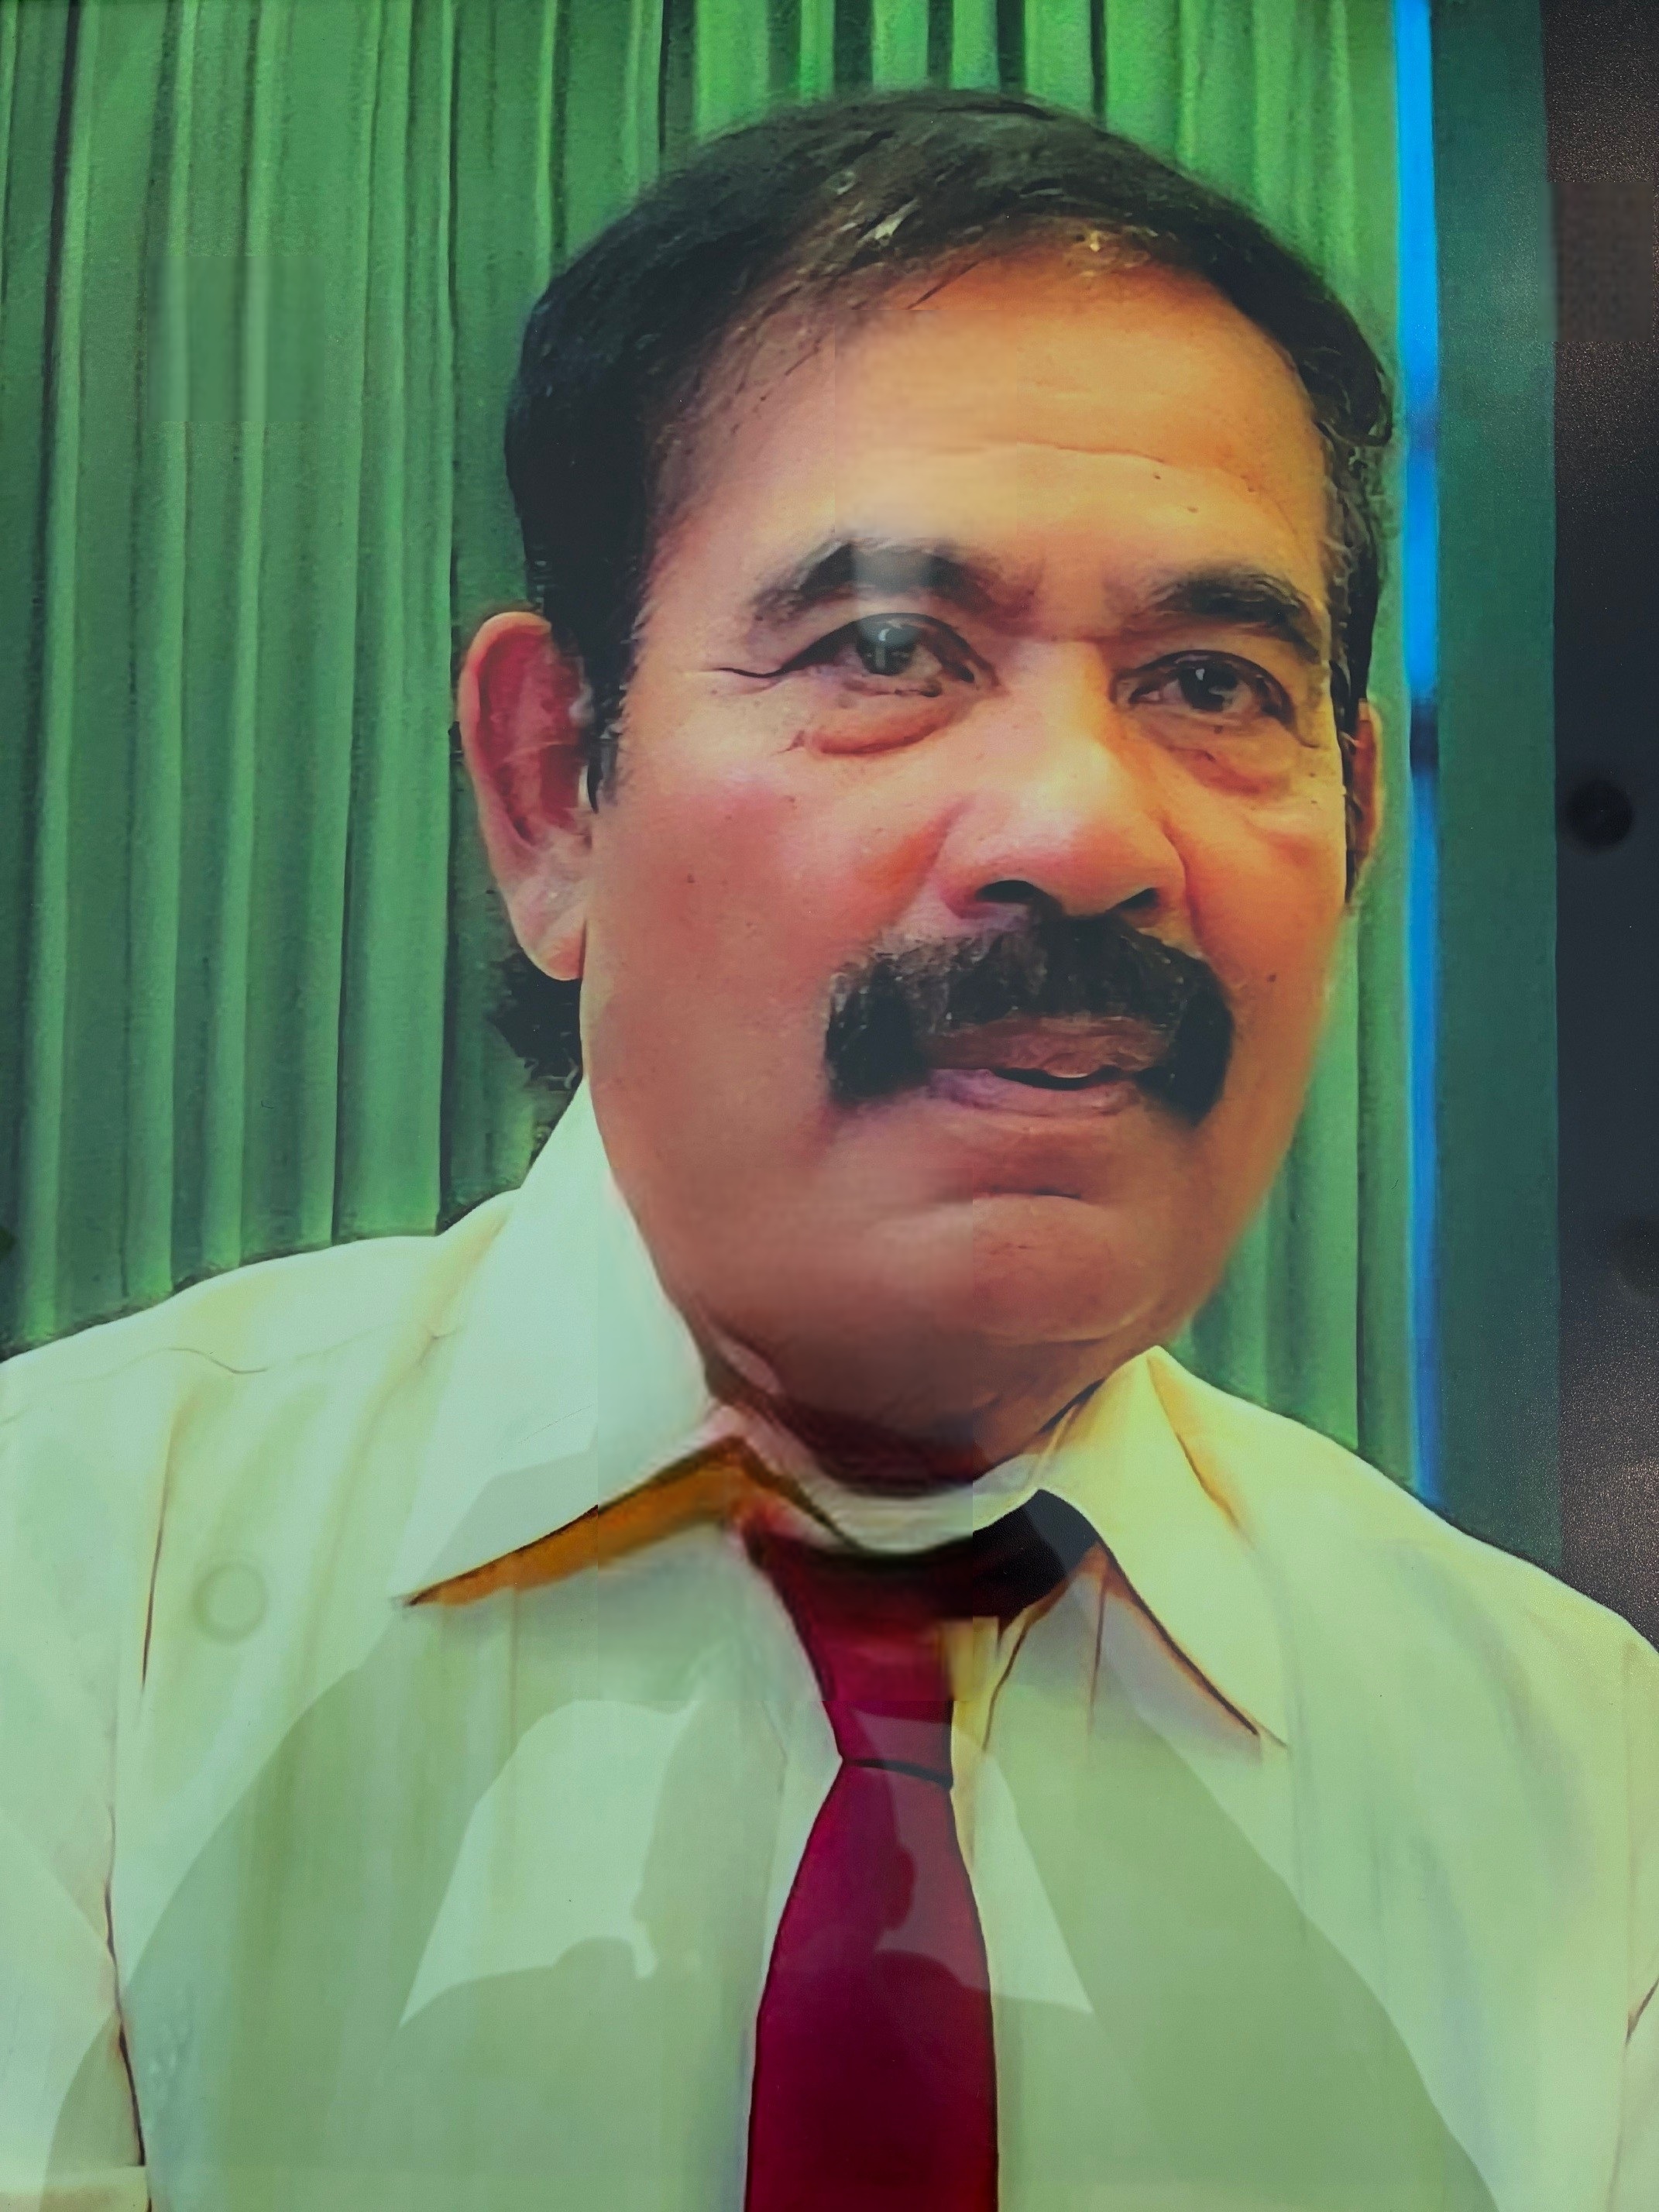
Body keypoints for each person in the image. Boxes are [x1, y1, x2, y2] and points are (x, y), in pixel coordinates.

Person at [1, 88, 1653, 2212]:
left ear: (1354, 820)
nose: (1083, 832)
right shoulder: (72, 1609)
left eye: (1212, 682)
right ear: (553, 792)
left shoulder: (1581, 1795)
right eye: (885, 652)